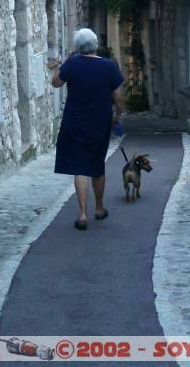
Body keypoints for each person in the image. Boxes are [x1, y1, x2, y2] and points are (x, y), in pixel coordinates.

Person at [50, 28, 125, 231]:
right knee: (96, 165)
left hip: (74, 121)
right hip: (100, 121)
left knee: (80, 167)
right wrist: (118, 116)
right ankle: (99, 208)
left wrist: (65, 62)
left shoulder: (73, 64)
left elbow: (55, 82)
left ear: (78, 48)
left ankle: (82, 214)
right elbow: (118, 97)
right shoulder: (109, 66)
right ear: (95, 45)